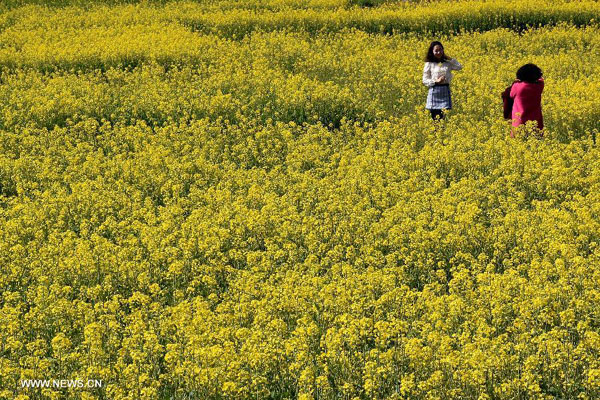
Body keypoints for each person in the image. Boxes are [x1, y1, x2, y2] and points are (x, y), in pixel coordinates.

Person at [422, 41, 463, 121]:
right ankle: (436, 133)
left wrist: (449, 58)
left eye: (440, 50)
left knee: (443, 118)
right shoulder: (429, 63)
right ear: (432, 52)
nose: (439, 52)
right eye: (436, 51)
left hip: (445, 90)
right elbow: (425, 80)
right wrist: (436, 81)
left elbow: (459, 67)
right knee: (434, 117)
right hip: (434, 91)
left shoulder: (448, 63)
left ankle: (440, 132)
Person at [509, 63, 544, 137]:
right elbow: (541, 80)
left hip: (519, 123)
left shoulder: (517, 87)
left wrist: (516, 81)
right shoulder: (538, 86)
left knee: (518, 144)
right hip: (535, 124)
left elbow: (511, 95)